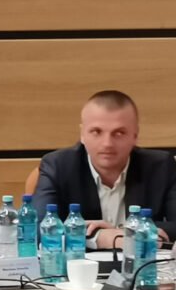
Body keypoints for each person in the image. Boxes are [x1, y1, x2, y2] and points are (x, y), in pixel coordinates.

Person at [33, 90, 176, 249]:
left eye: (119, 133)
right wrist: (98, 237)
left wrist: (125, 233)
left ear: (135, 136)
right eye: (96, 132)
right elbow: (37, 229)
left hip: (143, 262)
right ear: (82, 134)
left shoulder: (161, 166)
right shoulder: (58, 166)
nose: (107, 143)